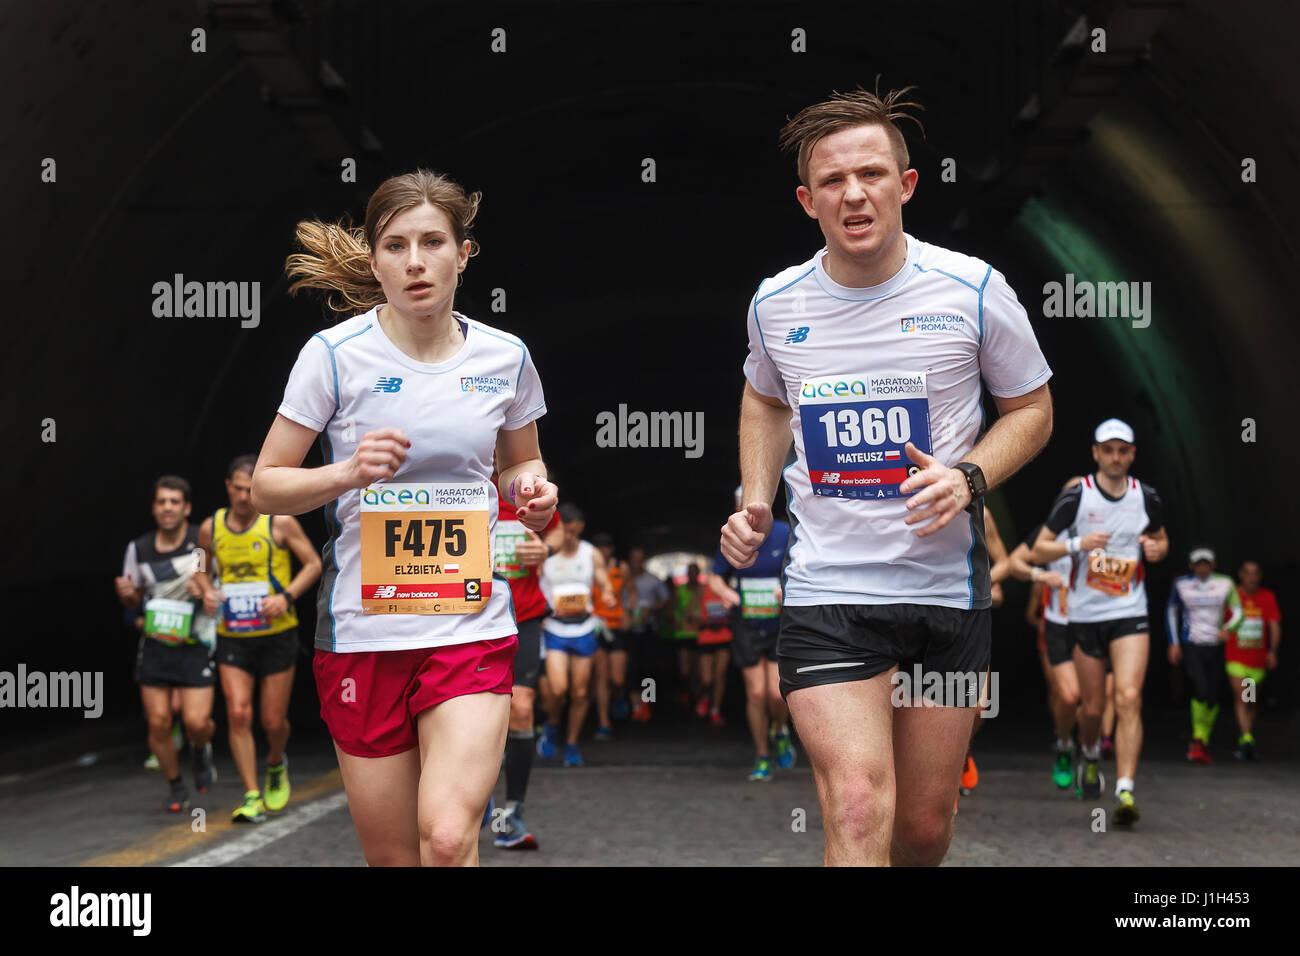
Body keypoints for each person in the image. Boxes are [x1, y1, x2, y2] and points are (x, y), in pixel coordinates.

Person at [722, 86, 1053, 865]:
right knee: (861, 803)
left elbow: (1033, 410)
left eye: (871, 173)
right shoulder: (776, 303)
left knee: (923, 827)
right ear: (809, 201)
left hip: (946, 596)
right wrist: (757, 500)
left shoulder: (972, 289)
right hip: (829, 593)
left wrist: (968, 478)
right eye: (833, 181)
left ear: (905, 185)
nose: (854, 192)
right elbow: (764, 401)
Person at [254, 168, 557, 866]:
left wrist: (532, 491)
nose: (415, 262)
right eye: (395, 245)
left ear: (463, 253)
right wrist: (347, 473)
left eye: (431, 242)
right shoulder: (333, 357)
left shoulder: (504, 357)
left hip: (469, 627)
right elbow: (268, 485)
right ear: (372, 257)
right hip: (364, 631)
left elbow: (520, 464)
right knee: (396, 859)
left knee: (448, 841)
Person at [1034, 419, 1167, 825]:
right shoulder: (1078, 497)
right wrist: (1078, 544)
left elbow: (1162, 538)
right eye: (1107, 449)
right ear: (1095, 453)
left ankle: (1124, 789)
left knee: (1127, 697)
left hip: (1129, 610)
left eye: (1122, 450)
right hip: (1085, 615)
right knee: (1090, 708)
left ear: (1131, 455)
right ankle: (1089, 754)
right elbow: (1039, 548)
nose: (1115, 457)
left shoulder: (1146, 497)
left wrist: (1156, 549)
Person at [194, 454, 321, 823]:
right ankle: (251, 793)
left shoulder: (279, 521)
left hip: (276, 635)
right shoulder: (210, 527)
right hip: (232, 634)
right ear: (227, 487)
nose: (244, 496)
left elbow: (313, 563)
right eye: (237, 488)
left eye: (250, 488)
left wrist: (286, 597)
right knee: (237, 712)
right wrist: (205, 590)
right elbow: (199, 564)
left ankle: (275, 761)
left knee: (272, 721)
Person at [114, 476, 218, 812]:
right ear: (154, 508)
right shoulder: (138, 549)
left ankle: (201, 750)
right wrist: (129, 598)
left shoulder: (200, 539)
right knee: (158, 721)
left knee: (196, 723)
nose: (168, 507)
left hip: (196, 640)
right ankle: (175, 785)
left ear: (186, 508)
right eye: (162, 502)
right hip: (157, 644)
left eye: (174, 501)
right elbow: (133, 602)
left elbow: (213, 582)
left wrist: (204, 590)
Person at [489, 470, 563, 848]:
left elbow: (557, 530)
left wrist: (545, 549)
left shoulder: (525, 487)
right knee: (474, 713)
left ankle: (511, 812)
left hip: (523, 616)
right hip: (467, 621)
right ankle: (472, 793)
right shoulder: (452, 481)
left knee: (521, 709)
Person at [708, 485, 794, 780]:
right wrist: (724, 593)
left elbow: (805, 568)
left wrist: (787, 588)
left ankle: (780, 730)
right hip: (746, 622)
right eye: (742, 507)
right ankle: (761, 756)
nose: (749, 513)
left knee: (777, 695)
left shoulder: (785, 532)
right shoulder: (732, 536)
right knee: (756, 693)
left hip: (779, 621)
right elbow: (715, 577)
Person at [1009, 477, 1082, 788]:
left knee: (1099, 700)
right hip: (1057, 624)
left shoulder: (1105, 530)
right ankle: (1064, 743)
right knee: (1065, 694)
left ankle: (1091, 754)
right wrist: (1041, 575)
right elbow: (1014, 563)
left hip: (1096, 624)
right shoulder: (1046, 534)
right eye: (1071, 495)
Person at [536, 503, 616, 767]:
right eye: (564, 532)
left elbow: (603, 577)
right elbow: (533, 583)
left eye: (572, 532)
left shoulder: (590, 553)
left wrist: (606, 592)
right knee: (558, 689)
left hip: (583, 627)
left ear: (580, 528)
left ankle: (571, 743)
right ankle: (553, 723)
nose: (568, 537)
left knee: (580, 693)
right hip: (555, 628)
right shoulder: (546, 553)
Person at [1166, 548, 1242, 765]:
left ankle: (1246, 734)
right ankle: (1202, 739)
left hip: (1239, 658)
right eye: (1197, 564)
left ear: (1213, 564)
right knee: (1207, 690)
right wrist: (1174, 643)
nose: (1202, 567)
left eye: (1206, 563)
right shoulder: (1181, 584)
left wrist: (1228, 629)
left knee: (1238, 696)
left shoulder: (1227, 584)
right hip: (1195, 644)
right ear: (1191, 565)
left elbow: (1242, 613)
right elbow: (1171, 611)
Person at [1226, 560, 1282, 759]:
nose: (1251, 577)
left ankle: (1246, 738)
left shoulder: (1267, 597)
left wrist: (1272, 651)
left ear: (1260, 576)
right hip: (1236, 659)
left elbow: (1274, 625)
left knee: (1250, 700)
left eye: (1255, 573)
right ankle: (1247, 736)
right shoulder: (1232, 596)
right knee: (1242, 696)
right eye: (1247, 573)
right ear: (1240, 575)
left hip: (1256, 661)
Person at [591, 532, 631, 738]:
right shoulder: (588, 568)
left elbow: (630, 592)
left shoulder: (621, 568)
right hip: (597, 626)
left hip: (617, 626)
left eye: (607, 547)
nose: (603, 551)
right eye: (600, 548)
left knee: (617, 679)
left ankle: (618, 697)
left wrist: (627, 612)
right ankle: (604, 722)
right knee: (602, 677)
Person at [624, 547, 669, 721]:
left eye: (639, 559)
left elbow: (665, 598)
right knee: (630, 667)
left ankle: (647, 703)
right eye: (633, 559)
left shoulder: (653, 580)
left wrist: (652, 609)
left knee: (648, 667)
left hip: (648, 629)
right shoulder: (622, 579)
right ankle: (634, 705)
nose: (636, 562)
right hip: (627, 630)